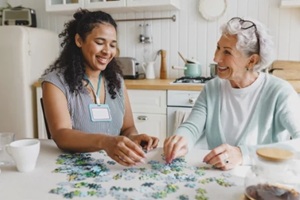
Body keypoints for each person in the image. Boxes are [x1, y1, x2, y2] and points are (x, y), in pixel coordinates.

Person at [163, 17, 300, 170]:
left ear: (252, 61)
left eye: (227, 52)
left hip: (261, 183)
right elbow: (192, 127)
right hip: (217, 181)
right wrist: (181, 138)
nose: (216, 58)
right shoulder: (212, 88)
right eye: (218, 48)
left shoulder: (280, 92)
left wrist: (243, 154)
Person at [40, 9, 159, 166]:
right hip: (75, 169)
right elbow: (61, 135)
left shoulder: (116, 80)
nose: (107, 51)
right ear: (79, 40)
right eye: (100, 42)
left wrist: (133, 138)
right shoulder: (55, 83)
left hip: (115, 167)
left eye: (112, 45)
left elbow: (128, 128)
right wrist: (105, 142)